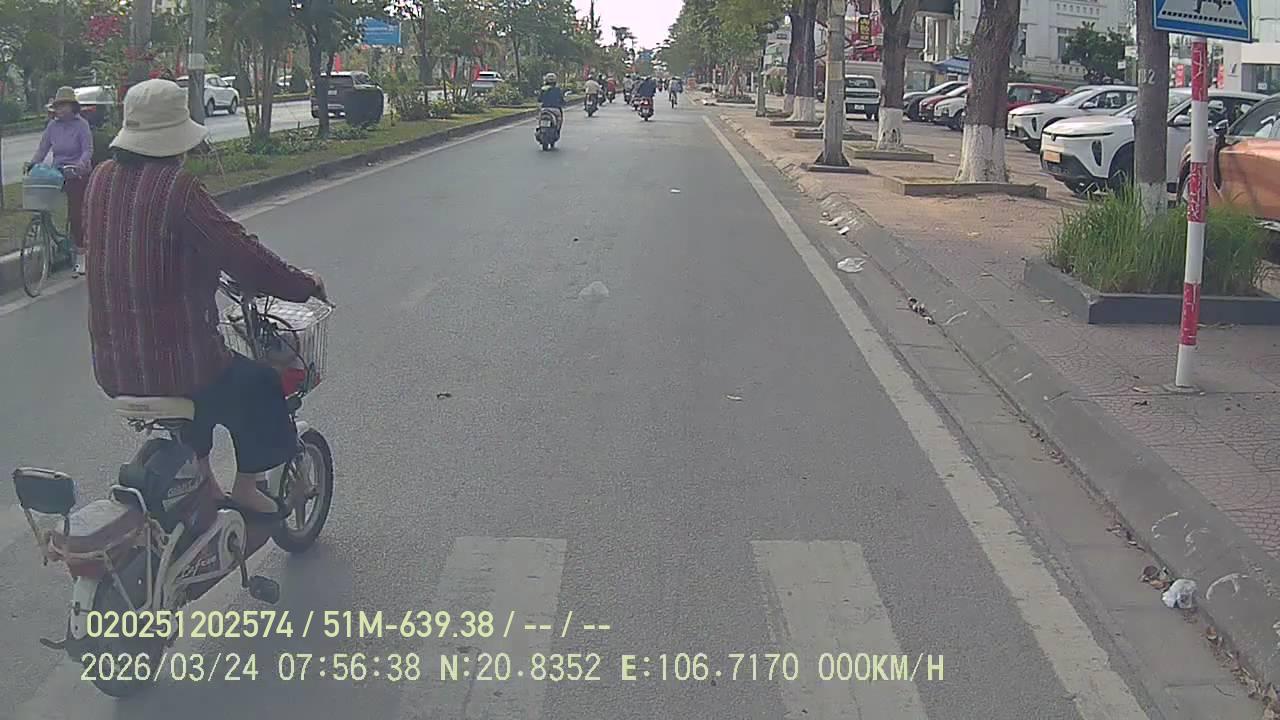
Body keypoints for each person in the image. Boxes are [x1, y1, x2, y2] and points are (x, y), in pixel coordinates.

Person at [84, 79, 328, 519]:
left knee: (205, 395)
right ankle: (248, 487)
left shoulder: (100, 179)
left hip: (113, 366)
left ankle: (204, 482)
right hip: (178, 366)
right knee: (257, 384)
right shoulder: (176, 189)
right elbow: (241, 253)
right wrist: (301, 284)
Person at [27, 86, 93, 277]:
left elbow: (87, 150)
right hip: (57, 172)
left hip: (76, 173)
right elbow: (43, 149)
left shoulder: (81, 125)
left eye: (64, 105)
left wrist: (80, 164)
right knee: (43, 204)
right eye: (58, 106)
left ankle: (81, 254)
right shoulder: (52, 126)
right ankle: (52, 244)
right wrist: (32, 164)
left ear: (73, 107)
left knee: (75, 214)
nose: (60, 109)